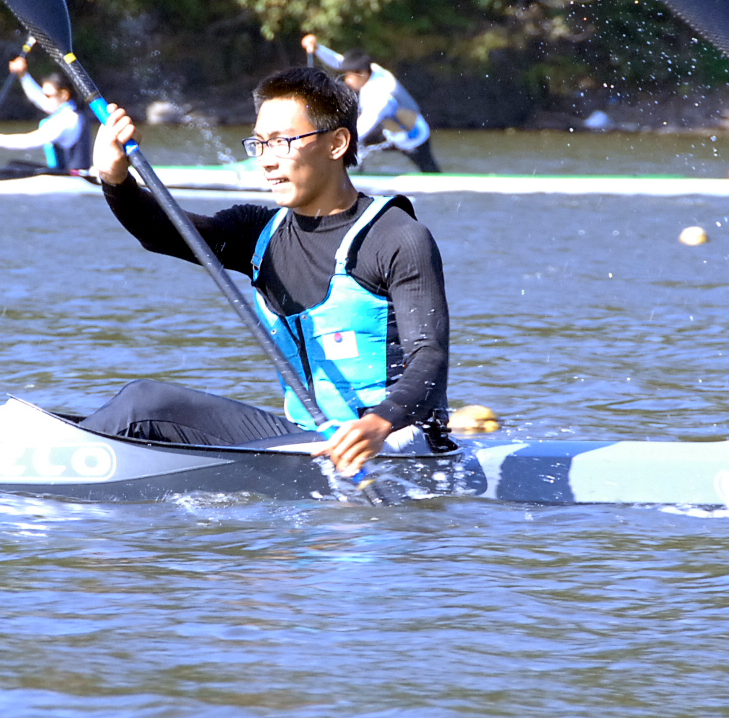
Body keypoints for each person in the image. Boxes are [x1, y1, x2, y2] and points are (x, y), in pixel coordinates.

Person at [80, 66, 452, 476]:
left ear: (337, 143)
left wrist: (379, 423)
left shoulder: (398, 236)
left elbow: (429, 358)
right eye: (259, 144)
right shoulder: (257, 232)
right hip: (310, 441)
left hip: (400, 444)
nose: (266, 161)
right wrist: (115, 178)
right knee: (141, 406)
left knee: (142, 406)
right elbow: (163, 232)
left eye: (282, 143)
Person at [300, 34, 440, 172]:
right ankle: (354, 173)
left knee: (429, 170)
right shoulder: (372, 69)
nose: (347, 80)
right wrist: (318, 48)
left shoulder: (378, 94)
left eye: (350, 76)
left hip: (414, 137)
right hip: (390, 133)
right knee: (358, 144)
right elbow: (340, 61)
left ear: (362, 73)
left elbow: (363, 127)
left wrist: (333, 141)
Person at [0, 56, 93, 172]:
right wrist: (23, 75)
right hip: (64, 174)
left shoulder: (67, 120)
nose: (44, 99)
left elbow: (28, 141)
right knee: (15, 165)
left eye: (48, 96)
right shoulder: (70, 110)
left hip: (73, 179)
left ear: (64, 95)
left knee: (15, 167)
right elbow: (38, 98)